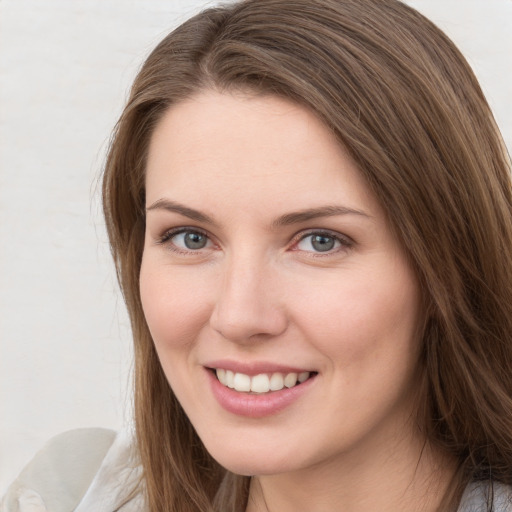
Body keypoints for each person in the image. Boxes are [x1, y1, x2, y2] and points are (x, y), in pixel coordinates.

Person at [3, 0, 512, 511]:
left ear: (449, 262)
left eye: (320, 241)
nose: (239, 316)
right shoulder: (71, 494)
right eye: (190, 238)